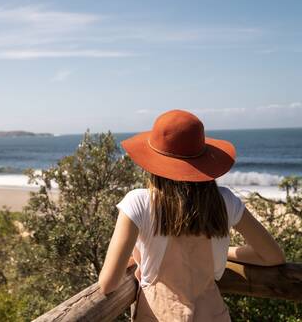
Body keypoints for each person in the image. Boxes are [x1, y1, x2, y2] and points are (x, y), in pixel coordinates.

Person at [98, 109, 285, 321]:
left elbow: (108, 283)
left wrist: (138, 259)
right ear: (203, 160)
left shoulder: (138, 202)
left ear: (153, 163)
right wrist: (228, 253)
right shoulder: (224, 201)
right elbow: (273, 257)